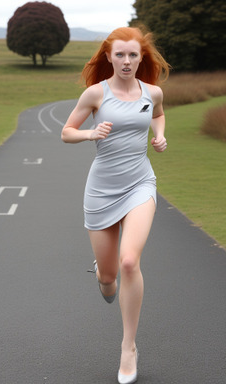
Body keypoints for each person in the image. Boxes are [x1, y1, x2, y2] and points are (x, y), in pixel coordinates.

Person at [61, 26, 170, 384]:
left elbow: (157, 112)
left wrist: (159, 134)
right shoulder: (96, 93)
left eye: (133, 55)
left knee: (128, 261)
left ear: (142, 58)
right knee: (109, 280)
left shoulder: (152, 91)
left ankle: (128, 347)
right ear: (108, 56)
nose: (126, 61)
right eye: (119, 55)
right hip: (101, 190)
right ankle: (102, 273)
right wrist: (90, 133)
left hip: (140, 184)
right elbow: (67, 131)